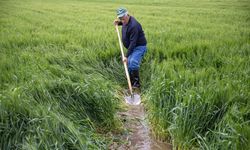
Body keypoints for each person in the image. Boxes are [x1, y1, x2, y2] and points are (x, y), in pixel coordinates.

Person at [114, 7, 147, 90]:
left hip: (139, 46)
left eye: (122, 17)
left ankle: (136, 84)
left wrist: (126, 56)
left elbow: (133, 43)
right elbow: (125, 23)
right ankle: (130, 82)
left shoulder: (134, 26)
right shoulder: (125, 20)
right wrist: (118, 23)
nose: (122, 19)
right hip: (132, 47)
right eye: (120, 18)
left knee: (133, 62)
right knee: (128, 63)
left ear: (127, 15)